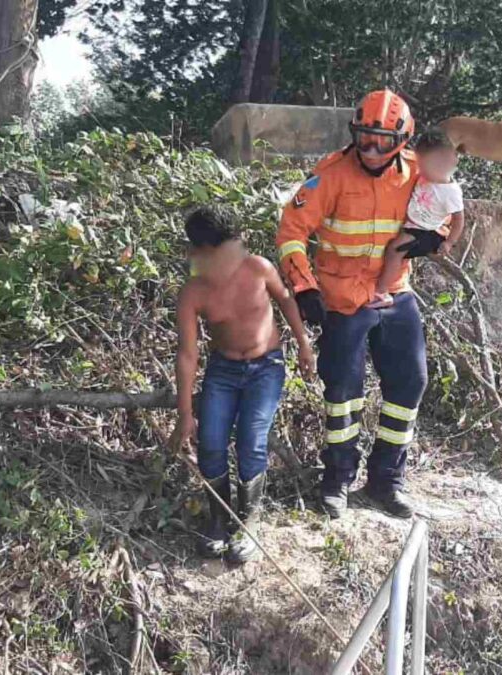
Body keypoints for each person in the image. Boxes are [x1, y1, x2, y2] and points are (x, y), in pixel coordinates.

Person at [276, 89, 442, 519]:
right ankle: (337, 479)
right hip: (342, 297)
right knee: (344, 391)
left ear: (402, 140)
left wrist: (434, 238)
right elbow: (291, 230)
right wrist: (304, 286)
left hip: (394, 291)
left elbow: (443, 211)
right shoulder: (330, 174)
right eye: (364, 138)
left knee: (410, 384)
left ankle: (386, 480)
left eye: (382, 141)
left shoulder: (419, 174)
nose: (371, 149)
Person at [171, 206, 316, 561]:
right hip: (223, 371)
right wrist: (185, 414)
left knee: (251, 439)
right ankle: (219, 520)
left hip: (266, 367)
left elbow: (285, 300)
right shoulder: (194, 293)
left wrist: (303, 344)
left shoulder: (258, 268)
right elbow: (188, 356)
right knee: (211, 443)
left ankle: (248, 520)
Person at [367, 128, 465, 308]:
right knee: (395, 249)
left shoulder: (450, 192)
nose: (421, 169)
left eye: (425, 165)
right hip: (414, 225)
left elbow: (459, 220)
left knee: (395, 249)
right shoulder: (426, 176)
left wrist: (450, 242)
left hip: (426, 232)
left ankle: (381, 292)